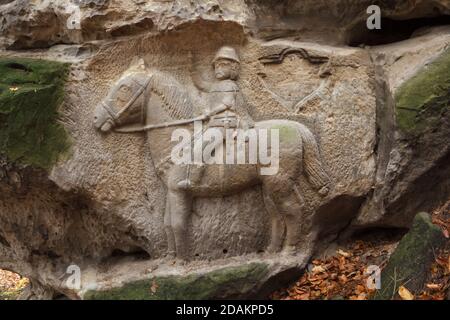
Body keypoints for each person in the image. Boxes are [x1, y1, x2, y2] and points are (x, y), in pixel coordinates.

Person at [176, 46, 254, 189]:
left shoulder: (231, 85)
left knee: (202, 147)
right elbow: (199, 83)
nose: (218, 69)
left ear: (233, 67)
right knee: (191, 143)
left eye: (223, 65)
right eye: (216, 66)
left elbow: (227, 103)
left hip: (225, 124)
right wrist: (190, 65)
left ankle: (193, 180)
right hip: (214, 124)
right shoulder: (214, 86)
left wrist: (209, 112)